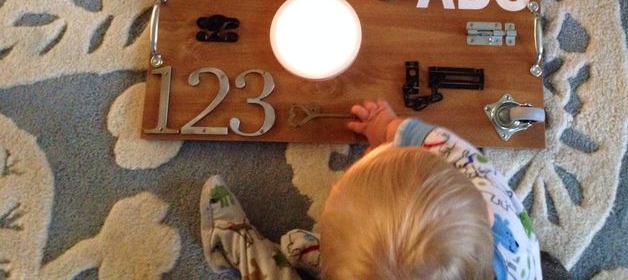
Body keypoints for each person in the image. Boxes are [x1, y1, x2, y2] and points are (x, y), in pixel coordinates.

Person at [200, 99, 543, 280]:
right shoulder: (491, 200)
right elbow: (446, 146)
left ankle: (234, 240)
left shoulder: (475, 198)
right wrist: (390, 126)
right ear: (486, 214)